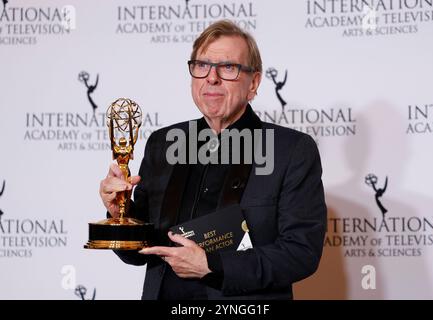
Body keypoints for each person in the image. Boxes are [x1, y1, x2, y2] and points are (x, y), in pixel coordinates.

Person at [99, 20, 327, 300]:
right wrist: (119, 212)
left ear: (253, 83)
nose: (212, 78)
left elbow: (300, 253)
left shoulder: (291, 150)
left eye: (228, 67)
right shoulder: (162, 143)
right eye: (201, 65)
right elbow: (140, 254)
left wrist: (213, 266)